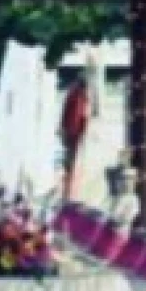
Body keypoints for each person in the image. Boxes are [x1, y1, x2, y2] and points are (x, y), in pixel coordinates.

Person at [58, 68, 92, 200]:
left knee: (70, 160)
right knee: (71, 160)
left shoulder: (75, 93)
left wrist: (62, 128)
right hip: (74, 132)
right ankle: (68, 189)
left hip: (72, 132)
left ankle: (68, 188)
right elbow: (82, 115)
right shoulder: (79, 95)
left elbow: (68, 112)